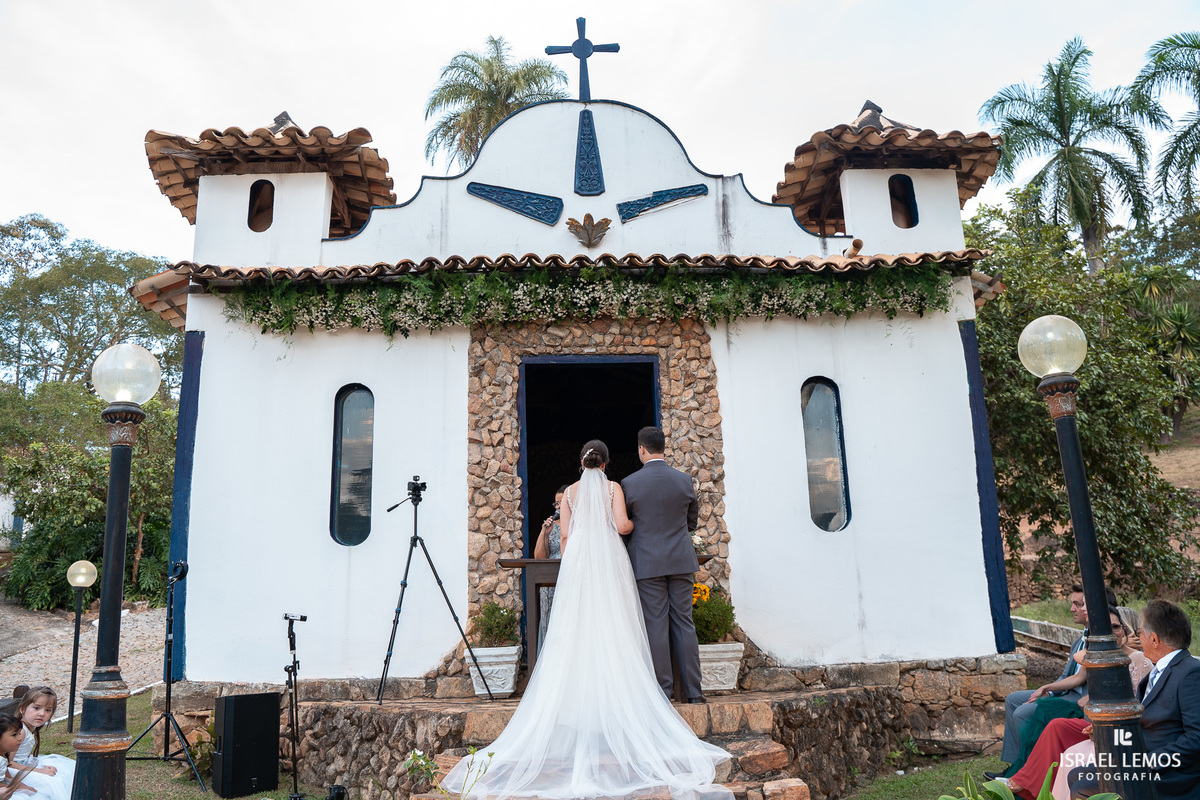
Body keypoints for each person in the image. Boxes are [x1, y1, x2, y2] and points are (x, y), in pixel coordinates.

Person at [440, 440, 733, 800]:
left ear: (581, 463)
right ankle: (653, 693)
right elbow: (625, 526)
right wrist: (617, 527)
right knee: (617, 626)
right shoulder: (614, 488)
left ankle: (578, 705)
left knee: (575, 631)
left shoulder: (570, 494)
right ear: (607, 464)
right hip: (610, 557)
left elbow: (564, 535)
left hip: (579, 561)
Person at [1004, 607, 1153, 799]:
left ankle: (1025, 783)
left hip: (1121, 725)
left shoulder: (1140, 660)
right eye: (1103, 630)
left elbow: (1144, 701)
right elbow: (1078, 659)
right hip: (1095, 720)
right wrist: (1049, 686)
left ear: (1124, 630)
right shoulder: (1096, 656)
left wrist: (1098, 699)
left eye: (1115, 627)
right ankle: (1028, 782)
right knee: (1056, 725)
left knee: (1055, 722)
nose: (1110, 633)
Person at [1068, 599, 1200, 799]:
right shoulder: (1158, 672)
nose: (1136, 638)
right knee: (1076, 774)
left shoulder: (1190, 672)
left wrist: (1145, 762)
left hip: (1172, 775)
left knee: (1083, 788)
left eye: (1139, 633)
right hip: (1141, 764)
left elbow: (1196, 739)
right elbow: (1145, 721)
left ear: (1154, 640)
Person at [991, 584, 1117, 779]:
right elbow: (1066, 677)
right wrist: (1049, 691)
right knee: (1013, 699)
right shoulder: (1079, 641)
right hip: (1066, 691)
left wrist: (1049, 691)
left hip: (1080, 697)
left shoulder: (1104, 640)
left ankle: (1025, 771)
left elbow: (1080, 679)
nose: (1074, 609)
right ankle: (1014, 764)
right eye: (1074, 604)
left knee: (1023, 712)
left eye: (1079, 604)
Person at [621, 426, 704, 703]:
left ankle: (663, 693)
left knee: (656, 624)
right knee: (684, 622)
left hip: (647, 561)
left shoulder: (630, 483)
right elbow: (691, 522)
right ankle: (694, 693)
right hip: (680, 559)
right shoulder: (683, 480)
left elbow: (626, 525)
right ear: (663, 448)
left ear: (641, 449)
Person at [11, 687, 76, 800]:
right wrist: (39, 771)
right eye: (36, 708)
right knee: (52, 783)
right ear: (23, 709)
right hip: (12, 772)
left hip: (24, 764)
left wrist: (39, 766)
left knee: (65, 772)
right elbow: (8, 763)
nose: (42, 713)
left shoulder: (28, 728)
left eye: (48, 710)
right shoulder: (20, 732)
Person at [533, 485, 569, 653]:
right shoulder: (551, 527)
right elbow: (539, 557)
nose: (559, 507)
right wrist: (544, 533)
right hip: (551, 580)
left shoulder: (579, 523)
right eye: (556, 503)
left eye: (562, 502)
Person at [0, 713, 34, 798]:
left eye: (19, 733)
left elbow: (6, 775)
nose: (20, 738)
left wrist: (21, 785)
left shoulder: (3, 755)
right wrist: (19, 789)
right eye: (14, 735)